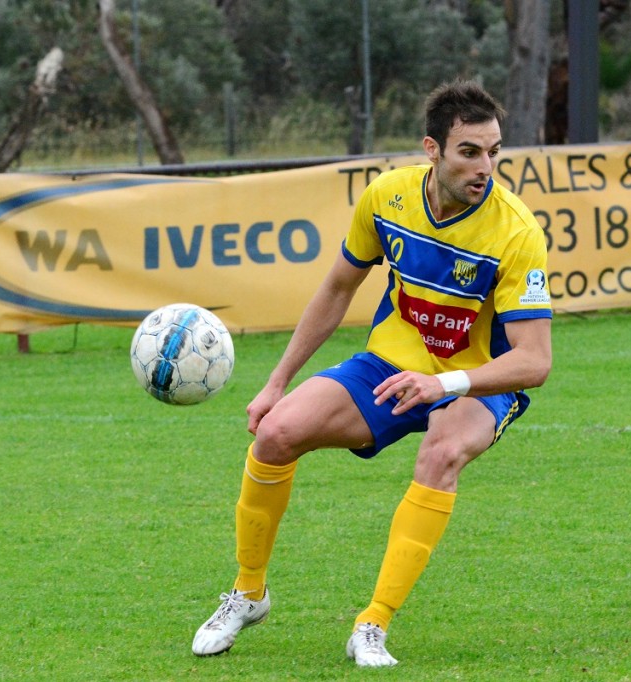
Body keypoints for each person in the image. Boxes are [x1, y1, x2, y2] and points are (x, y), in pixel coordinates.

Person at [191, 80, 553, 666]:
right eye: (470, 151)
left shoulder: (516, 231)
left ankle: (372, 624)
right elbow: (337, 288)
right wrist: (276, 382)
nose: (485, 166)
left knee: (441, 452)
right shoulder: (387, 197)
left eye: (494, 152)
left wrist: (444, 384)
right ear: (432, 149)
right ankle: (248, 591)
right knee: (277, 433)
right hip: (390, 364)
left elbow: (534, 361)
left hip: (478, 379)